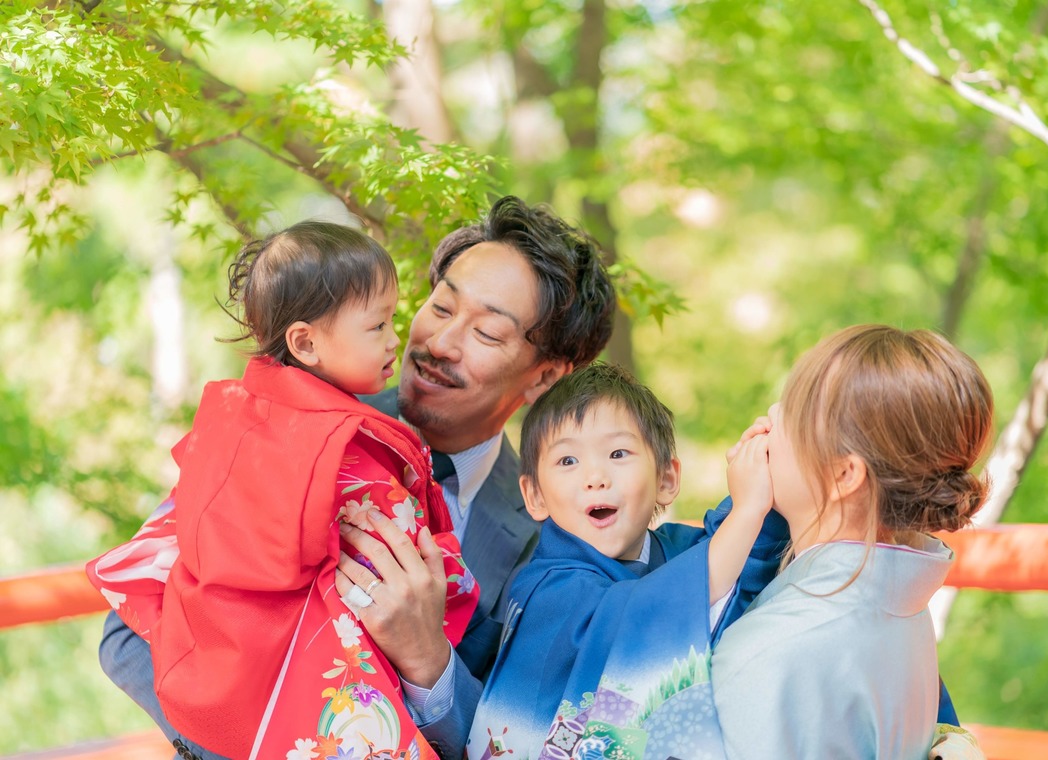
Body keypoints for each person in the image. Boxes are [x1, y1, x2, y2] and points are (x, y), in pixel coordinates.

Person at [96, 196, 626, 760]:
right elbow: (128, 629)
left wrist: (430, 662)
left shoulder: (561, 533)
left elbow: (537, 733)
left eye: (488, 334)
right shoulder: (291, 420)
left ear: (544, 377)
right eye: (442, 307)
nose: (438, 344)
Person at [87, 221, 479, 759]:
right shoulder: (350, 451)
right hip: (286, 674)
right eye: (377, 326)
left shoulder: (238, 425)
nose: (397, 339)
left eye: (392, 319)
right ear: (305, 341)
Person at [455, 362, 788, 759]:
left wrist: (768, 459)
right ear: (535, 496)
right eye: (567, 461)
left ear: (666, 478)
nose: (595, 477)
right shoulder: (550, 589)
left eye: (618, 453)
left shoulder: (675, 553)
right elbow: (651, 613)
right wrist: (746, 512)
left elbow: (739, 561)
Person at [712, 324, 990, 759]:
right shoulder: (904, 607)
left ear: (844, 474)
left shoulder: (775, 650)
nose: (770, 412)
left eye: (792, 410)